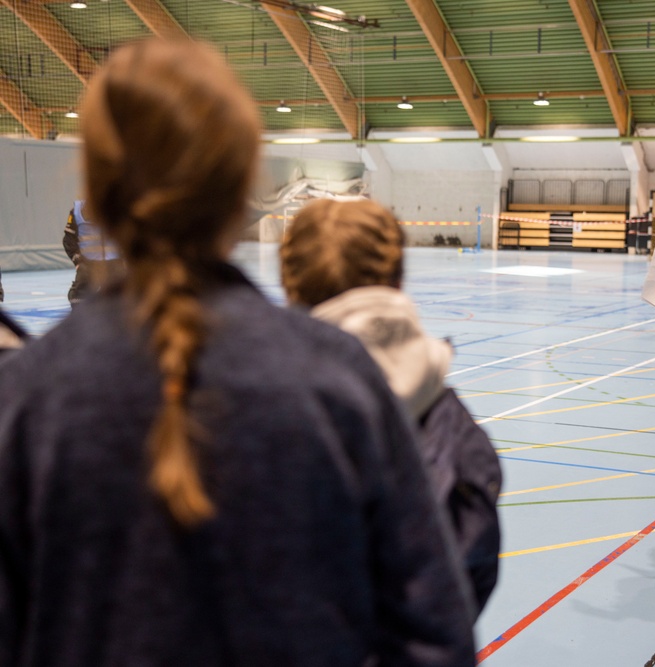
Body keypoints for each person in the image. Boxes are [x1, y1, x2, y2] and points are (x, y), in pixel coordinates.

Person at [0, 39, 475, 667]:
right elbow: (434, 629)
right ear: (237, 194)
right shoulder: (336, 380)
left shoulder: (28, 400)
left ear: (99, 189)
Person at [281, 198, 502, 615]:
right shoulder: (456, 434)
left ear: (289, 286)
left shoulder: (249, 411)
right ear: (397, 282)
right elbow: (465, 589)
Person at [63, 199, 126, 306]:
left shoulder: (121, 210)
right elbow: (69, 240)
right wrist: (78, 262)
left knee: (122, 297)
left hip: (114, 262)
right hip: (88, 263)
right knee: (78, 295)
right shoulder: (77, 211)